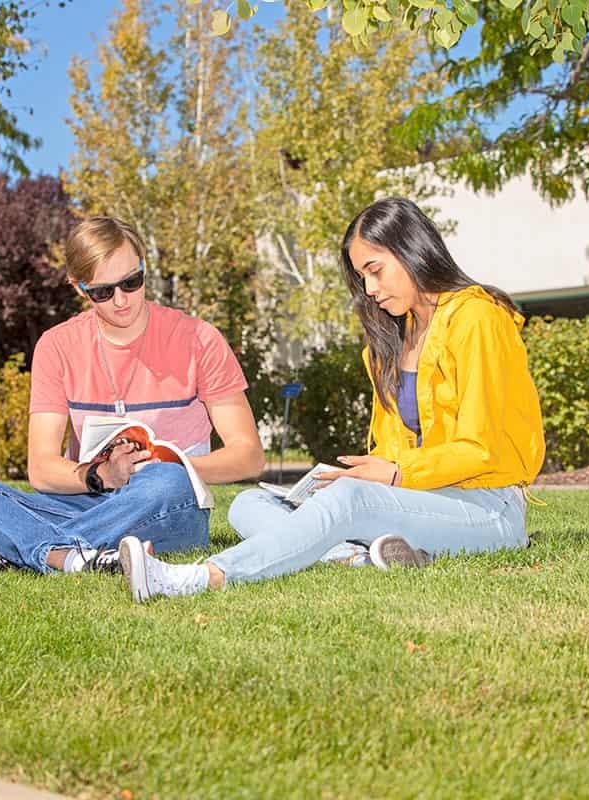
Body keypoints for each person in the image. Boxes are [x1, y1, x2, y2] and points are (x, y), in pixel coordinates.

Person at [116, 197, 546, 602]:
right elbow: (393, 448)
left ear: (412, 249)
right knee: (249, 504)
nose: (370, 288)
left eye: (376, 270)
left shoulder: (476, 317)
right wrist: (366, 475)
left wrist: (392, 475)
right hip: (425, 498)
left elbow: (481, 448)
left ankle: (195, 577)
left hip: (489, 509)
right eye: (362, 277)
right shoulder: (396, 336)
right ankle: (357, 556)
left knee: (349, 502)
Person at [0, 215, 265, 583]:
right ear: (79, 287)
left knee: (165, 480)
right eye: (102, 291)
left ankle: (28, 554)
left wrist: (170, 466)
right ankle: (78, 556)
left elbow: (249, 456)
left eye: (132, 283)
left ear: (144, 267)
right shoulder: (57, 346)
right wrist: (102, 475)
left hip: (168, 505)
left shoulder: (200, 339)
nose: (121, 301)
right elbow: (41, 469)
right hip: (81, 501)